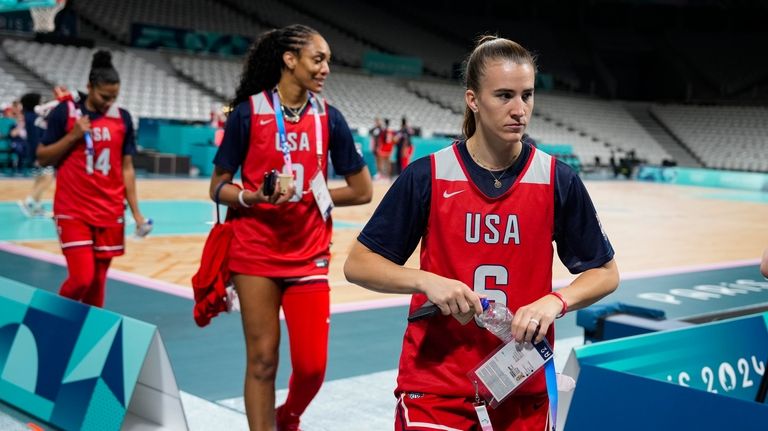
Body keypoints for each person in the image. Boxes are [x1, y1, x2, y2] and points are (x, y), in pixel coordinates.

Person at [344, 35, 619, 431]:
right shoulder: (429, 175)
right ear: (473, 99)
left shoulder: (556, 179)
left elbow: (606, 273)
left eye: (527, 96)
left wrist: (554, 302)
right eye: (504, 95)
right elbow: (358, 264)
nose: (519, 109)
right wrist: (426, 281)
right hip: (436, 389)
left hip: (521, 390)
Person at [208, 24, 372, 431]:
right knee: (262, 362)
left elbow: (362, 189)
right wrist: (253, 198)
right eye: (318, 59)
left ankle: (289, 417)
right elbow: (217, 186)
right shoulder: (248, 113)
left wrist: (315, 194)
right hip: (254, 252)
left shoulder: (330, 118)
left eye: (328, 61)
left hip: (309, 254)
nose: (326, 69)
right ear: (290, 59)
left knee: (313, 367)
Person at [37, 50, 147, 308]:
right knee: (81, 279)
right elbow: (42, 157)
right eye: (103, 96)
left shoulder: (123, 118)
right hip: (73, 209)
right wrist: (73, 136)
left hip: (109, 210)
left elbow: (126, 168)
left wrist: (137, 213)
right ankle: (47, 324)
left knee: (97, 285)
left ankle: (87, 342)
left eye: (114, 97)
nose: (109, 102)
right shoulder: (65, 112)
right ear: (89, 87)